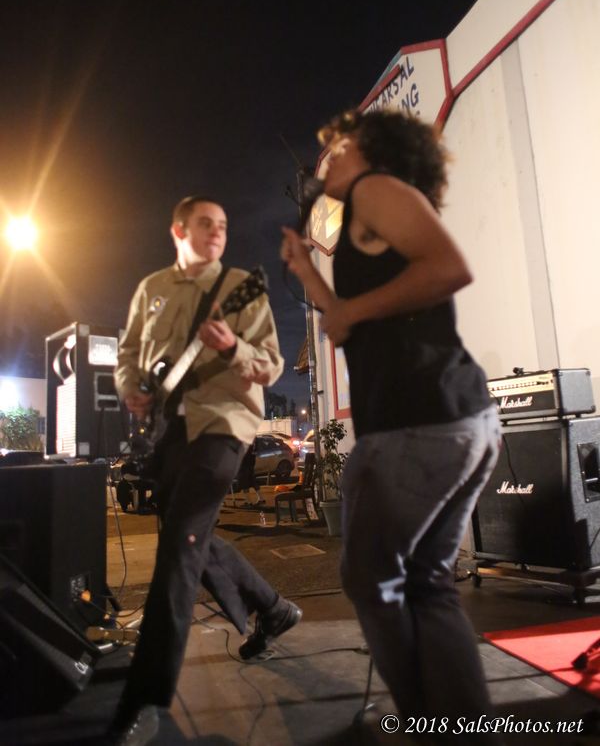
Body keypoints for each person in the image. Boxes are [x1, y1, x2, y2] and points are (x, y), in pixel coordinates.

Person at [281, 110, 501, 742]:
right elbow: (345, 321)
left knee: (371, 578)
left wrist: (354, 310)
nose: (325, 162)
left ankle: (425, 722)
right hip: (453, 421)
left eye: (337, 149)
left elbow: (449, 267)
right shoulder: (365, 213)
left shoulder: (376, 189)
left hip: (417, 422)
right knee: (427, 582)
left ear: (371, 150)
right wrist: (307, 272)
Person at [109, 196, 301, 746]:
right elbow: (129, 355)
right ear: (178, 230)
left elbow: (272, 364)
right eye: (205, 223)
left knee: (178, 551)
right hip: (168, 433)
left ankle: (145, 699)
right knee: (187, 536)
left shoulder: (241, 287)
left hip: (223, 426)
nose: (217, 232)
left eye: (223, 225)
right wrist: (131, 388)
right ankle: (273, 610)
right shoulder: (151, 289)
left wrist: (234, 345)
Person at [237, 438, 265, 506]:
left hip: (244, 463)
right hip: (251, 462)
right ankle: (261, 498)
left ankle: (248, 501)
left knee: (244, 482)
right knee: (252, 480)